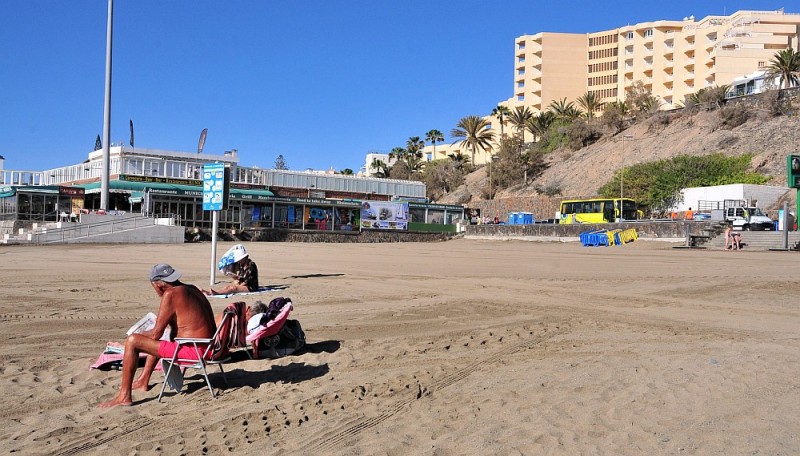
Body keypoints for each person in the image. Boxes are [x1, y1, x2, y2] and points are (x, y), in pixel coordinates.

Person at [98, 264, 216, 407]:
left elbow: (155, 334)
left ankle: (124, 396)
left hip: (194, 352)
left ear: (158, 285)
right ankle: (143, 380)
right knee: (161, 337)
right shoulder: (192, 289)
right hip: (209, 347)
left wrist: (135, 335)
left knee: (133, 341)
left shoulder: (170, 294)